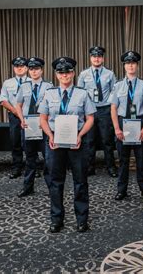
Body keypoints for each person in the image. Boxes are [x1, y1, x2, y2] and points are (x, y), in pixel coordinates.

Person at [40, 57, 96, 233]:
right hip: (55, 142)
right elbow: (42, 118)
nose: (64, 75)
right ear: (56, 74)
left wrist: (80, 135)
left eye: (68, 72)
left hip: (77, 141)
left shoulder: (82, 93)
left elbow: (90, 118)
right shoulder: (49, 93)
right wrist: (49, 135)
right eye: (61, 72)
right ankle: (56, 219)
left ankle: (82, 219)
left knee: (80, 181)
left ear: (73, 73)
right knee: (55, 182)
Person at [109, 51, 143, 201]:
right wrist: (116, 128)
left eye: (133, 63)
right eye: (128, 63)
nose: (131, 66)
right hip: (123, 123)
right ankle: (122, 190)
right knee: (123, 160)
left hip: (139, 123)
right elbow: (113, 108)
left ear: (137, 65)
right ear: (124, 66)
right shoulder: (118, 85)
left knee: (141, 160)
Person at [15, 57, 53, 197]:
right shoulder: (24, 86)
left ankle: (51, 187)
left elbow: (52, 107)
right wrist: (21, 119)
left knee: (48, 158)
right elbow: (18, 105)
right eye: (31, 69)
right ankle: (28, 187)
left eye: (36, 69)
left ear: (41, 70)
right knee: (30, 158)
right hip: (28, 127)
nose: (34, 71)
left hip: (43, 128)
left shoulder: (49, 86)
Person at [77, 46, 118, 177]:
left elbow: (114, 92)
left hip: (105, 110)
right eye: (94, 56)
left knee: (107, 140)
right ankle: (90, 167)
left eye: (99, 56)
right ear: (90, 58)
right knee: (89, 141)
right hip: (90, 111)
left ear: (103, 58)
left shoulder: (109, 74)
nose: (96, 58)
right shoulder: (84, 74)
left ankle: (110, 167)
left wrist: (110, 106)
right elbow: (80, 93)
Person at [0, 57, 29, 179]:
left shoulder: (32, 81)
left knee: (30, 142)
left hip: (29, 117)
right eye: (17, 66)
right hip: (14, 117)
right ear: (14, 68)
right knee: (15, 142)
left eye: (22, 66)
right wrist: (16, 112)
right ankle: (17, 167)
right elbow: (2, 100)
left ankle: (32, 166)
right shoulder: (8, 83)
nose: (19, 68)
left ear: (26, 68)